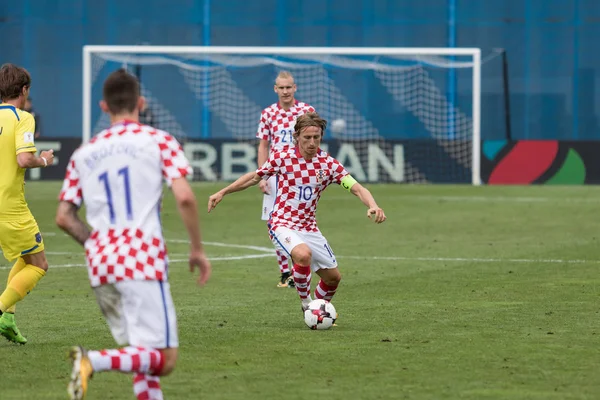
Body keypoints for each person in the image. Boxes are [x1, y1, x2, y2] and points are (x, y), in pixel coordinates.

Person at [56, 69, 211, 400]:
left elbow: (64, 217)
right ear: (141, 102)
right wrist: (197, 249)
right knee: (164, 359)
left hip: (100, 263)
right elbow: (184, 196)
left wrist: (98, 245)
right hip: (140, 259)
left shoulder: (83, 153)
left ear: (103, 106)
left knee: (142, 355)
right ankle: (92, 360)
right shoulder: (158, 141)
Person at [209, 112, 386, 316]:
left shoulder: (328, 164)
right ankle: (306, 304)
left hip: (309, 227)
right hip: (282, 223)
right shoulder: (283, 158)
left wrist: (372, 204)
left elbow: (357, 188)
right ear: (297, 137)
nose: (312, 142)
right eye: (307, 137)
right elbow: (253, 178)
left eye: (316, 138)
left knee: (333, 278)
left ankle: (317, 313)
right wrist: (223, 191)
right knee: (303, 255)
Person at [0, 63, 55, 344]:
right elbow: (24, 159)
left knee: (26, 256)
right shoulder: (23, 117)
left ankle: (8, 318)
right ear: (24, 90)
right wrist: (44, 159)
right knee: (39, 264)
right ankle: (1, 309)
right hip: (9, 208)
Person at [256, 71, 315, 288]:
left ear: (295, 88)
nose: (285, 91)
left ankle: (299, 268)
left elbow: (314, 141)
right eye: (281, 88)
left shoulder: (305, 111)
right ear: (275, 89)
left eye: (289, 87)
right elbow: (263, 145)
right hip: (275, 174)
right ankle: (285, 273)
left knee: (300, 220)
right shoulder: (268, 113)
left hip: (298, 174)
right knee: (273, 223)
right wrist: (262, 174)